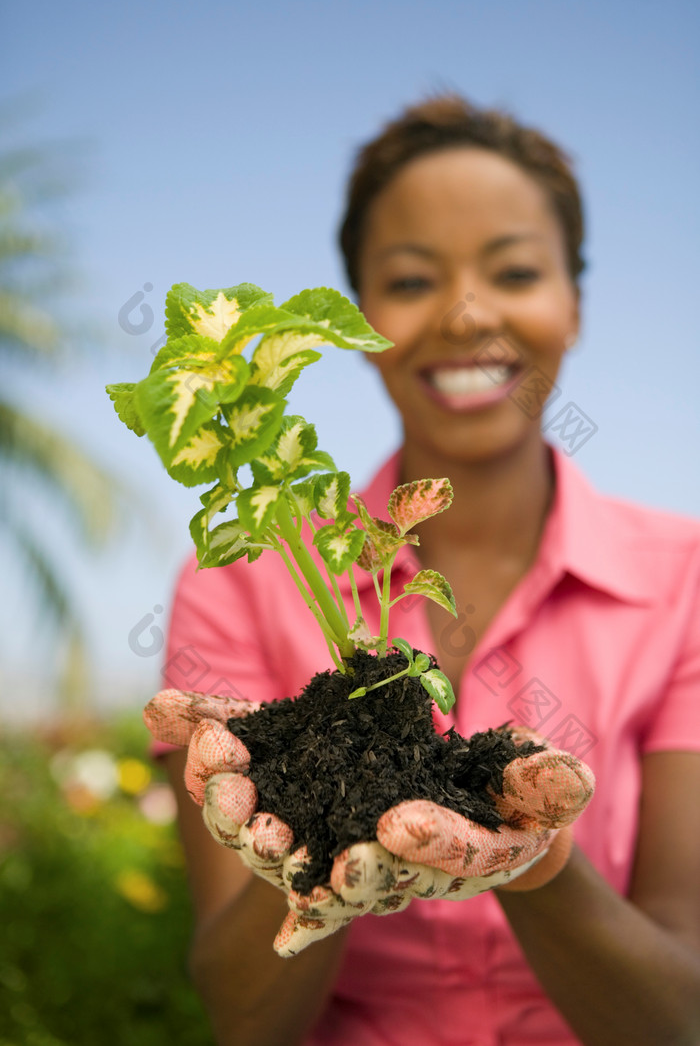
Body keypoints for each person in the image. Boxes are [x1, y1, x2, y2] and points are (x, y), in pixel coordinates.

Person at [152, 95, 700, 1045]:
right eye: (411, 280)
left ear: (574, 300)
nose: (465, 314)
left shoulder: (684, 580)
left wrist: (535, 865)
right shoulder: (237, 577)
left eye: (515, 270)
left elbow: (681, 1010)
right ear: (359, 318)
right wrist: (314, 855)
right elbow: (243, 1017)